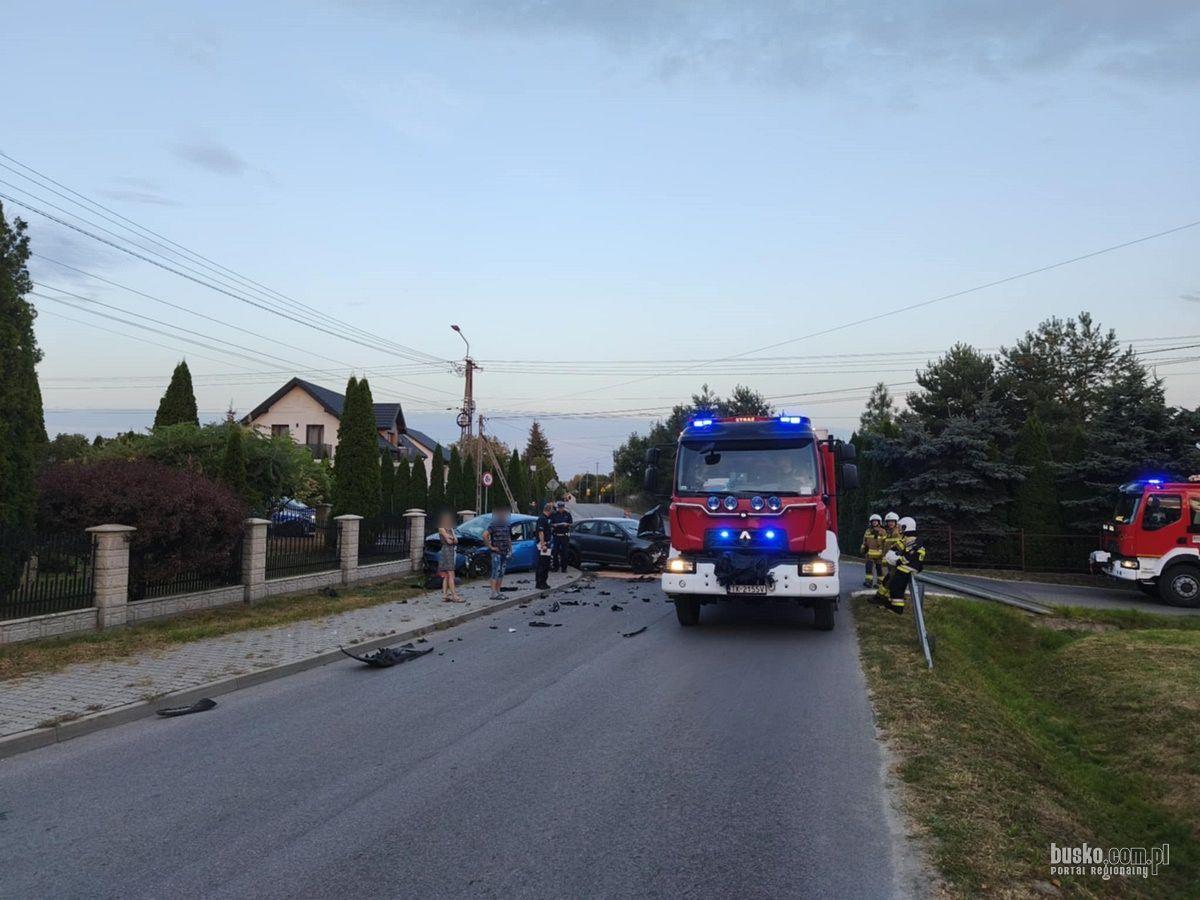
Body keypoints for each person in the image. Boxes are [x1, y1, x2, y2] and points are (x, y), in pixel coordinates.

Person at [873, 515, 926, 614]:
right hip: (905, 567)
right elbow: (899, 546)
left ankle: (897, 609)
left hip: (908, 567)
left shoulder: (913, 540)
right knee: (893, 583)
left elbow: (910, 555)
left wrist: (899, 560)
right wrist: (892, 551)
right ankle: (890, 604)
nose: (899, 528)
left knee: (897, 587)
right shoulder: (909, 538)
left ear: (906, 527)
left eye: (901, 527)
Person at [483, 506, 514, 600]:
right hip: (496, 553)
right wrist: (491, 547)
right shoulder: (493, 525)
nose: (504, 515)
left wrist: (510, 550)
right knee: (496, 572)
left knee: (501, 573)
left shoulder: (507, 524)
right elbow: (485, 535)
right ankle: (493, 593)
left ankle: (498, 592)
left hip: (505, 552)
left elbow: (508, 538)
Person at [436, 511, 464, 602]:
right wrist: (451, 538)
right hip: (446, 551)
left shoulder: (451, 528)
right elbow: (448, 541)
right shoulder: (441, 528)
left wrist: (451, 538)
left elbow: (456, 540)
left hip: (451, 551)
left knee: (447, 575)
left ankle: (445, 595)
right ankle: (454, 595)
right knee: (450, 574)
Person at [860, 513, 886, 588]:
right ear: (870, 522)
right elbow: (865, 541)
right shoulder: (868, 531)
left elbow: (885, 542)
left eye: (876, 521)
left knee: (880, 569)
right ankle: (868, 582)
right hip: (869, 554)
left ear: (879, 522)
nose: (874, 522)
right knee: (868, 568)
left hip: (880, 555)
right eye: (873, 521)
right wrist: (863, 548)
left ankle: (880, 583)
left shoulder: (883, 531)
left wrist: (884, 553)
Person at [534, 502, 554, 589]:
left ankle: (543, 582)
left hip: (547, 543)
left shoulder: (546, 519)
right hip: (543, 544)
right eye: (552, 509)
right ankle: (540, 583)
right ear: (549, 510)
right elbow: (541, 532)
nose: (553, 511)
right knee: (543, 564)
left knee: (546, 564)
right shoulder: (542, 519)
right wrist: (543, 544)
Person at [550, 500, 573, 572]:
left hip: (565, 535)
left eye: (562, 507)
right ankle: (555, 567)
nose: (560, 509)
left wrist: (567, 524)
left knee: (564, 552)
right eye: (559, 507)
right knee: (555, 552)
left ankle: (564, 568)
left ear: (563, 507)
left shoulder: (567, 514)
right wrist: (554, 525)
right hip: (556, 535)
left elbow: (571, 524)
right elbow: (551, 523)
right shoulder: (554, 514)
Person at [880, 511, 902, 585]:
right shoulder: (887, 533)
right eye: (889, 521)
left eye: (892, 521)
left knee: (894, 579)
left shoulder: (899, 532)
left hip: (895, 560)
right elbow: (884, 546)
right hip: (887, 559)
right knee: (887, 579)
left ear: (896, 522)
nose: (890, 523)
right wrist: (883, 556)